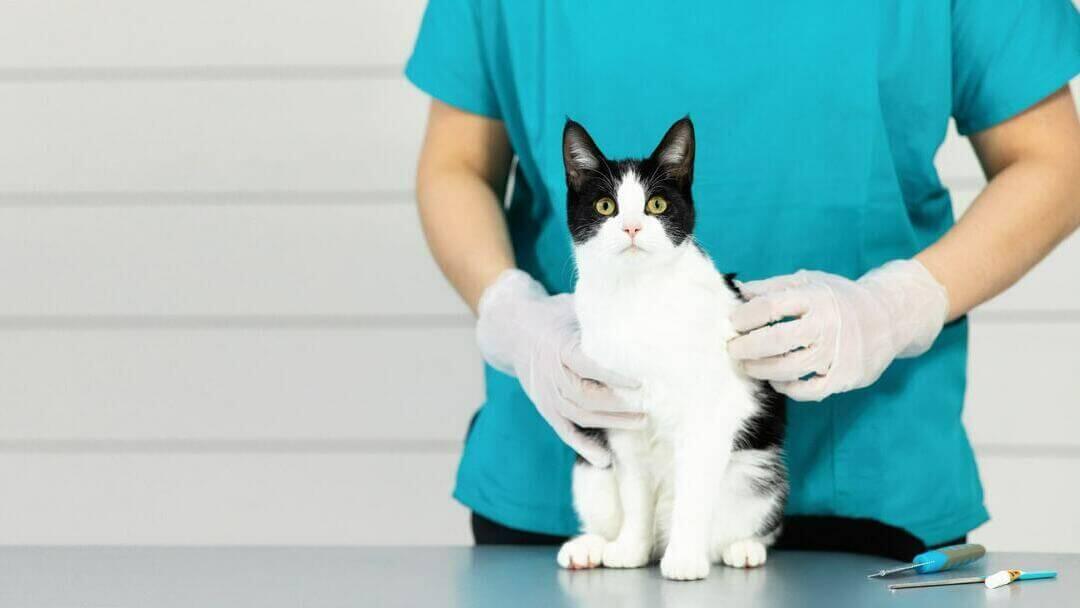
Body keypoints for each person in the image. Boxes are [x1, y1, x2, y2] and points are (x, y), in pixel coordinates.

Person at [406, 1, 1080, 560]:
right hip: (575, 478)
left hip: (869, 481)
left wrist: (897, 308)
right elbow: (455, 165)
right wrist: (511, 315)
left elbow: (1054, 161)